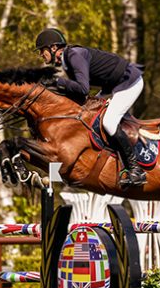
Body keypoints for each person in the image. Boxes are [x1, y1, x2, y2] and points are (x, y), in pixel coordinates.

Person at [35, 28, 146, 188]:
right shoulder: (67, 60)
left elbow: (83, 89)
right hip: (112, 86)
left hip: (129, 82)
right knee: (86, 113)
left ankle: (135, 169)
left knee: (109, 122)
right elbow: (80, 96)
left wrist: (57, 82)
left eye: (42, 50)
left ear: (53, 48)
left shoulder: (74, 55)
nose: (41, 55)